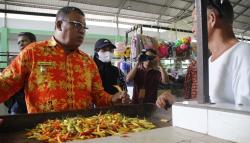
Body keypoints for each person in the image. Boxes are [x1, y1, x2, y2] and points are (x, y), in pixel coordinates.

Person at [0, 6, 129, 114]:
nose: (82, 31)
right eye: (77, 25)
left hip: (84, 132)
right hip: (43, 133)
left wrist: (113, 99)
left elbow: (99, 96)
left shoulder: (87, 62)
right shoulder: (33, 52)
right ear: (59, 24)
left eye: (84, 28)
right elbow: (5, 84)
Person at [157, 0, 250, 107]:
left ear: (211, 19)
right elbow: (211, 103)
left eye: (195, 21)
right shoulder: (210, 61)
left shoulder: (244, 54)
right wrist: (177, 102)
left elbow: (245, 116)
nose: (192, 29)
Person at [4, 32, 36, 114]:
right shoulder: (15, 61)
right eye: (19, 42)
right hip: (18, 103)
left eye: (24, 41)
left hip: (36, 102)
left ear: (33, 42)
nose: (21, 44)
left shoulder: (40, 59)